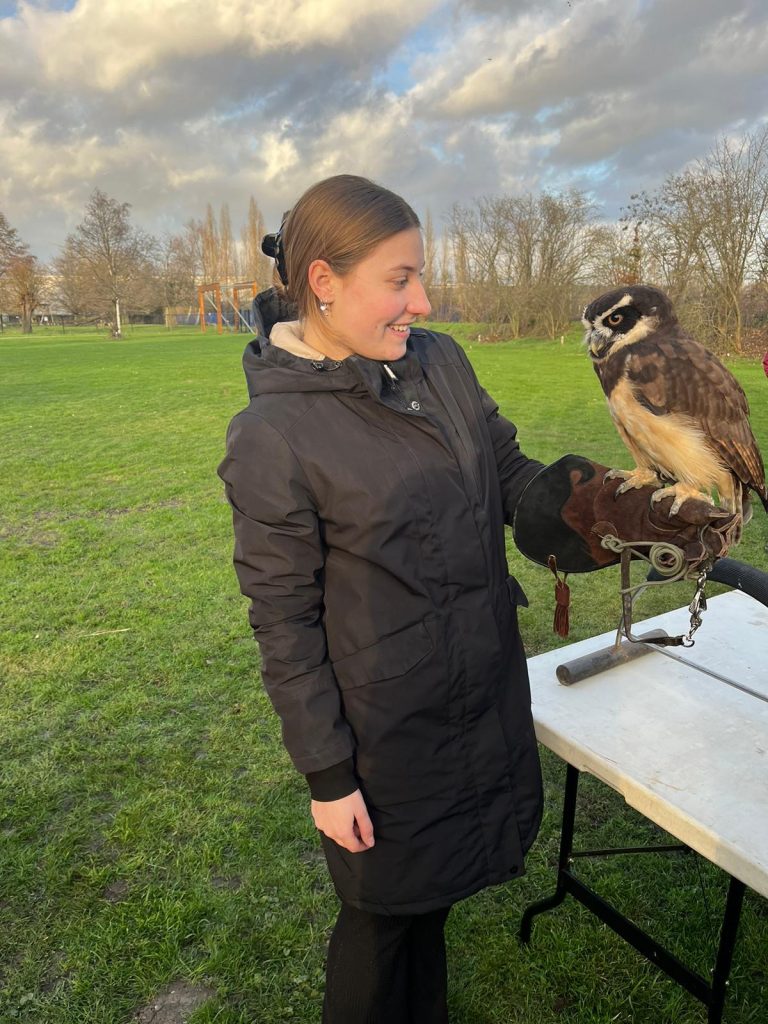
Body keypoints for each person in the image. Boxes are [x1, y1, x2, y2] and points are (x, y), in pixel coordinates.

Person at [218, 175, 736, 1022]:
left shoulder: (439, 364)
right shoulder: (272, 436)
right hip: (384, 733)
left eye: (420, 275)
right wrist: (329, 775)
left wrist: (610, 509)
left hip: (479, 687)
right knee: (382, 923)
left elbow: (509, 475)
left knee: (430, 906)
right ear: (322, 282)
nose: (421, 299)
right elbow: (284, 623)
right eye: (399, 280)